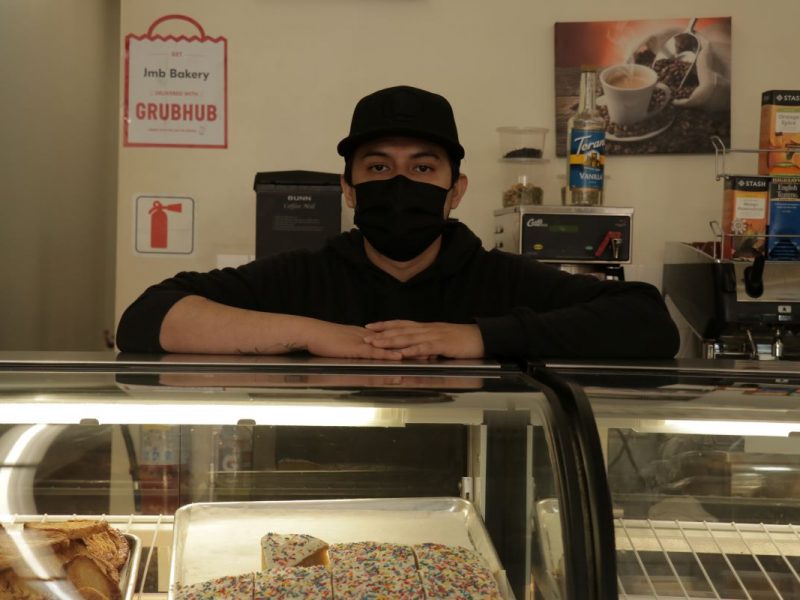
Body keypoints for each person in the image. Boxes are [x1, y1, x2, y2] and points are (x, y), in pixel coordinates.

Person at [116, 85, 679, 360]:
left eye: (424, 168)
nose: (401, 182)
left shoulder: (501, 281)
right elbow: (145, 319)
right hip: (308, 503)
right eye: (379, 167)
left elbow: (649, 322)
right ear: (349, 188)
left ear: (455, 191)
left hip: (473, 504)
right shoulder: (299, 277)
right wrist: (315, 334)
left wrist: (478, 336)